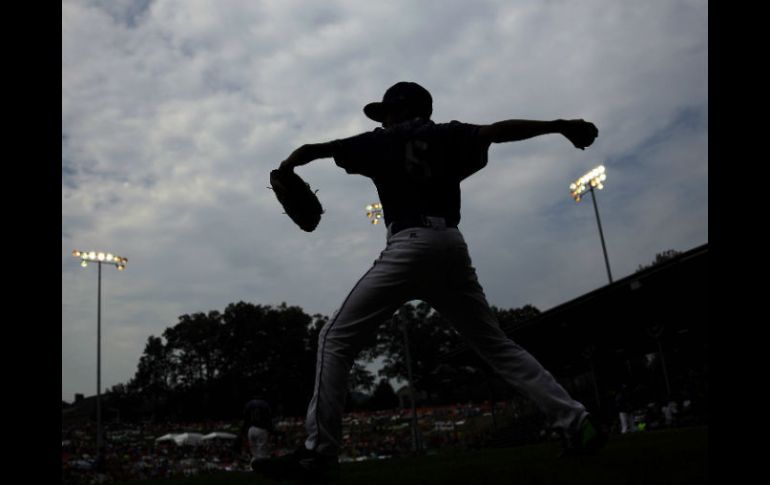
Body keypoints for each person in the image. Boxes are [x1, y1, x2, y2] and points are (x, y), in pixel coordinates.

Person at [266, 81, 604, 480]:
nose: (383, 118)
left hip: (409, 245)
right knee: (495, 345)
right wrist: (561, 125)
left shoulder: (381, 140)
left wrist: (287, 166)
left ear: (400, 110)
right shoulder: (449, 133)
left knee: (333, 339)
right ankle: (574, 421)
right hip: (450, 245)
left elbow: (313, 151)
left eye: (386, 111)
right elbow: (499, 131)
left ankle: (318, 452)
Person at [233, 398, 274, 471]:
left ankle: (253, 466)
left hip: (251, 429)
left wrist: (243, 431)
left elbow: (245, 419)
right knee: (262, 450)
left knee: (254, 450)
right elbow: (269, 419)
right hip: (261, 428)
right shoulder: (264, 407)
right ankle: (261, 467)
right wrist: (271, 430)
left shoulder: (249, 406)